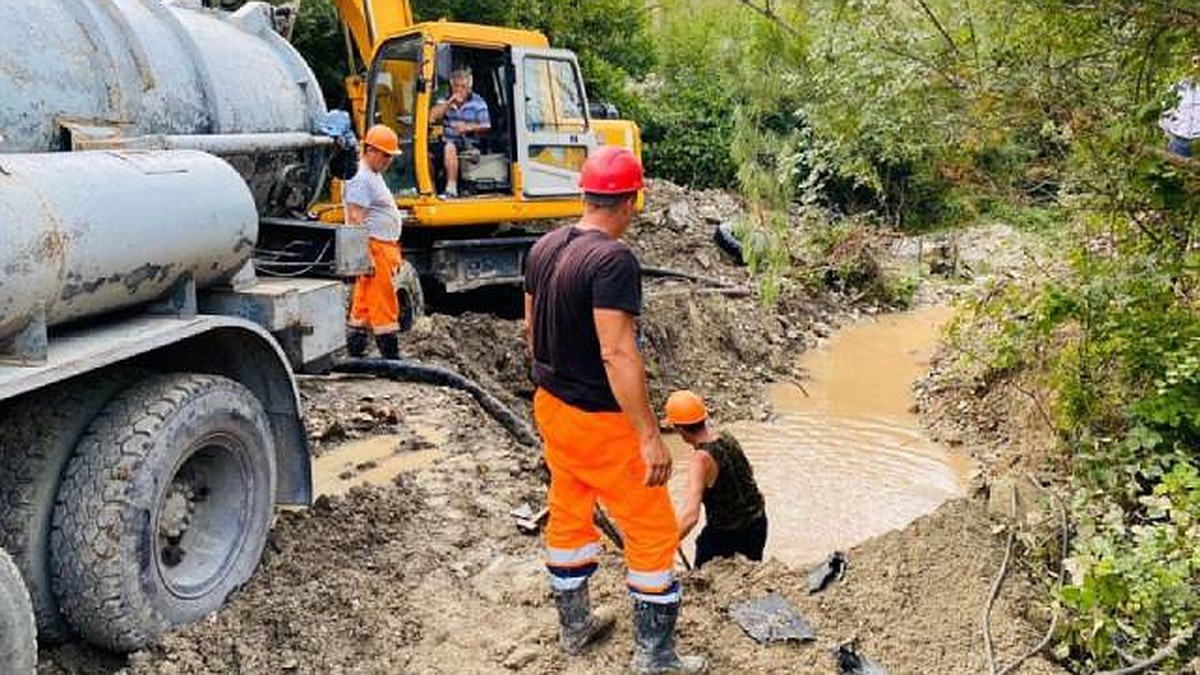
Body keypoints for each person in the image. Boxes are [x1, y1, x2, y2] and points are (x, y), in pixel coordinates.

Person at [523, 146, 706, 674]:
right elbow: (617, 350)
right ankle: (656, 657)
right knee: (650, 530)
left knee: (569, 510)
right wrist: (649, 435)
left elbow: (531, 331)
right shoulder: (613, 260)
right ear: (630, 200)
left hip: (553, 407)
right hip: (601, 421)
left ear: (586, 193)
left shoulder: (545, 247)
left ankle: (575, 628)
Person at [666, 390, 768, 569]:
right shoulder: (727, 436)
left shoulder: (701, 459)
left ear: (679, 429)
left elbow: (690, 516)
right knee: (749, 576)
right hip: (758, 523)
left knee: (704, 577)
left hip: (727, 534)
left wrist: (666, 544)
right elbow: (747, 474)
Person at [345, 124, 404, 360]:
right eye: (385, 155)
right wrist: (363, 253)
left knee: (363, 303)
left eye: (390, 155)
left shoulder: (371, 176)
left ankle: (356, 351)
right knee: (383, 302)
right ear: (370, 150)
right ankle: (391, 357)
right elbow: (356, 218)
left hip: (378, 246)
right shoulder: (361, 178)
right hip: (375, 247)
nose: (388, 160)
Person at [429, 67, 491, 198]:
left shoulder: (478, 103)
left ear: (469, 87)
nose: (459, 89)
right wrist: (448, 104)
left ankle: (451, 188)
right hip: (445, 139)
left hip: (468, 142)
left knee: (450, 147)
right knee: (426, 152)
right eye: (456, 86)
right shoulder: (445, 101)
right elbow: (431, 117)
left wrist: (468, 127)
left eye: (463, 86)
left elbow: (486, 125)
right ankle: (431, 189)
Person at [1161, 54, 1200, 157]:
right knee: (1175, 171)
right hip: (1179, 142)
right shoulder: (1177, 88)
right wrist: (1170, 135)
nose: (1198, 66)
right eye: (1195, 62)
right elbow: (1165, 112)